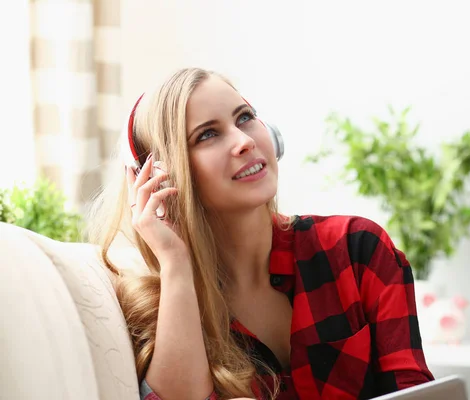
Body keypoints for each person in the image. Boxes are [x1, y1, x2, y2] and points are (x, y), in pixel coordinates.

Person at [86, 67, 434, 400]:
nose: (243, 141)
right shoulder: (161, 304)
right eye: (208, 134)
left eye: (244, 118)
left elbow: (415, 393)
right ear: (162, 177)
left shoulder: (358, 250)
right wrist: (177, 263)